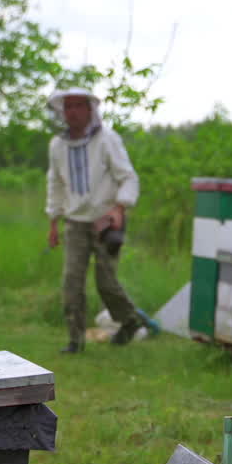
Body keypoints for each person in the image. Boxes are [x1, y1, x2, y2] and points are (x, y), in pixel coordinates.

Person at [45, 87, 145, 354]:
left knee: (106, 282)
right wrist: (53, 221)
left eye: (79, 106)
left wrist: (120, 209)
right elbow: (55, 184)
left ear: (90, 110)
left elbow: (128, 178)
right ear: (61, 112)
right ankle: (75, 340)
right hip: (75, 222)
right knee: (71, 281)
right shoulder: (57, 145)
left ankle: (130, 321)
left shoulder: (107, 139)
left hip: (106, 220)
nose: (73, 112)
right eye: (68, 107)